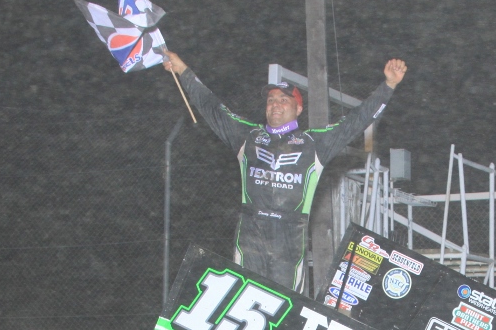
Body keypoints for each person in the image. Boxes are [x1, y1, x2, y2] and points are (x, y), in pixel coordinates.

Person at [162, 50, 407, 291]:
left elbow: (357, 120)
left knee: (285, 303)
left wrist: (388, 85)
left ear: (298, 109)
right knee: (243, 295)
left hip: (290, 235)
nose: (275, 104)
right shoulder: (247, 136)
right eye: (270, 100)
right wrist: (183, 70)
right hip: (250, 232)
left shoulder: (314, 143)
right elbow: (212, 107)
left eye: (283, 99)